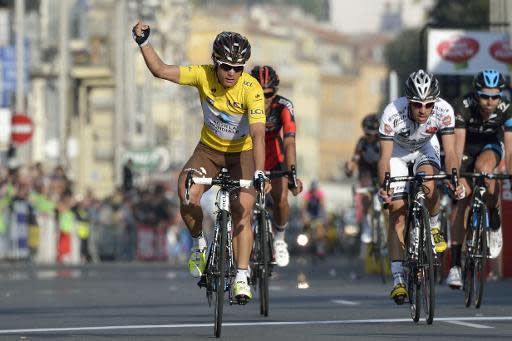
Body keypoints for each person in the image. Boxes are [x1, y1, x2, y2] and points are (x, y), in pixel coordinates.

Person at [133, 21, 270, 303]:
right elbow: (161, 71)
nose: (231, 73)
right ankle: (199, 245)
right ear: (215, 64)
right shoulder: (202, 75)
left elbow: (258, 132)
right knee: (186, 189)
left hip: (241, 153)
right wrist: (144, 42)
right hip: (208, 150)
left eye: (238, 67)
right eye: (225, 66)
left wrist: (259, 172)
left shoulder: (251, 88)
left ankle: (242, 276)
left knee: (242, 207)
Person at [378, 69, 464, 304]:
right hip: (397, 153)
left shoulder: (445, 110)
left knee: (429, 182)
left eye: (428, 105)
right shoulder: (392, 112)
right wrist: (384, 187)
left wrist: (454, 178)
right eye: (417, 105)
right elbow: (384, 158)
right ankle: (398, 280)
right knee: (396, 211)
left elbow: (452, 153)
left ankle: (434, 226)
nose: (423, 110)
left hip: (425, 148)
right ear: (409, 101)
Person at [447, 69, 512, 289]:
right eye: (484, 96)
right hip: (465, 148)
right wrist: (456, 178)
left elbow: (510, 151)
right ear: (476, 93)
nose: (489, 101)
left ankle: (493, 219)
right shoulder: (463, 106)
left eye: (495, 96)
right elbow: (456, 148)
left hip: (490, 146)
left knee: (484, 169)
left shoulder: (506, 109)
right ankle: (455, 266)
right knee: (463, 198)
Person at [250, 65, 303, 267]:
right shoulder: (242, 103)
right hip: (250, 156)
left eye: (269, 94)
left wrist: (292, 174)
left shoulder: (283, 106)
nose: (263, 98)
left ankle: (279, 239)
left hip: (275, 157)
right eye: (259, 93)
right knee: (244, 204)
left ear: (276, 92)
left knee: (281, 199)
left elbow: (289, 141)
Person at [345, 114, 381, 241]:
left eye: (373, 134)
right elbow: (355, 158)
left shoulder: (383, 142)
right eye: (367, 134)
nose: (370, 137)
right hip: (366, 172)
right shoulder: (362, 142)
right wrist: (350, 167)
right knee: (366, 192)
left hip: (380, 170)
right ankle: (366, 223)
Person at [302, 180, 327, 258]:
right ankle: (305, 246)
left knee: (320, 232)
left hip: (318, 215)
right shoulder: (307, 194)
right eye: (313, 190)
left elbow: (323, 207)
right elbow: (304, 207)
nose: (314, 192)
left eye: (315, 190)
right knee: (306, 230)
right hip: (310, 215)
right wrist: (304, 218)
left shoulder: (320, 194)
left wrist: (324, 217)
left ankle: (320, 249)